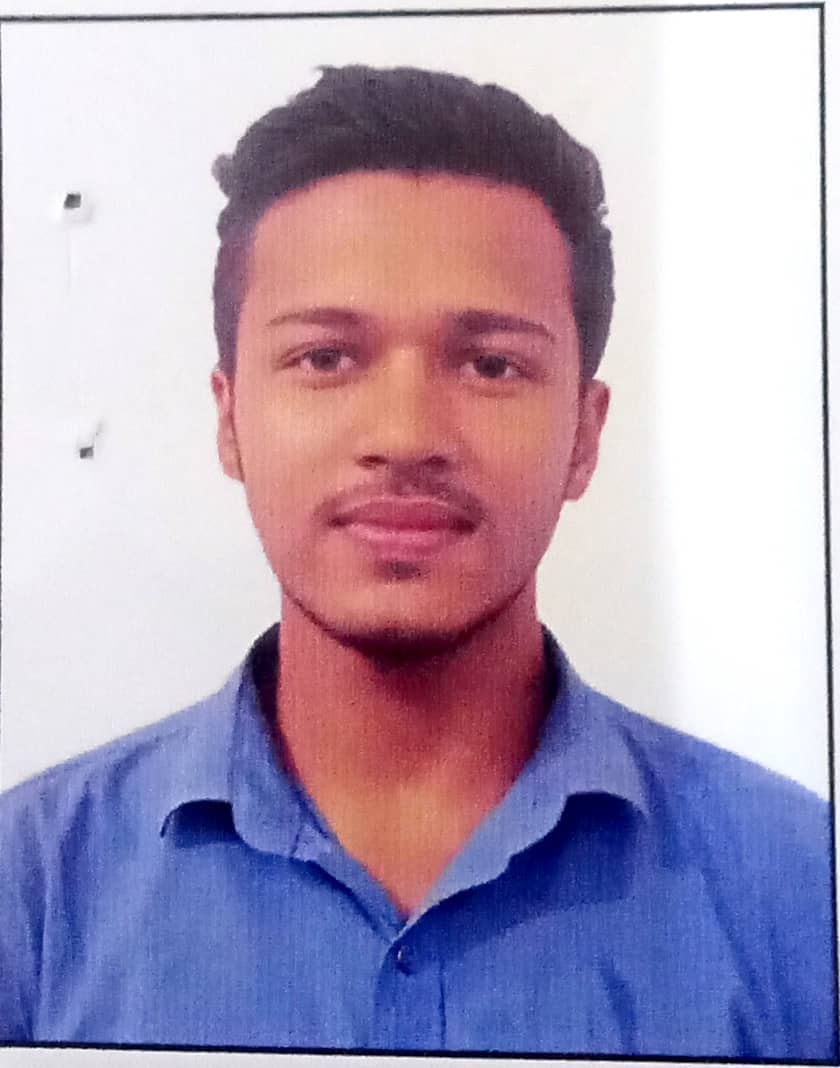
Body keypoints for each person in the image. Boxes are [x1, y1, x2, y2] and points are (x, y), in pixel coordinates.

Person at [0, 65, 835, 1058]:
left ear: (584, 434)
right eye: (325, 358)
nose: (404, 435)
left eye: (491, 364)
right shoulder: (31, 892)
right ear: (229, 418)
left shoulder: (803, 894)